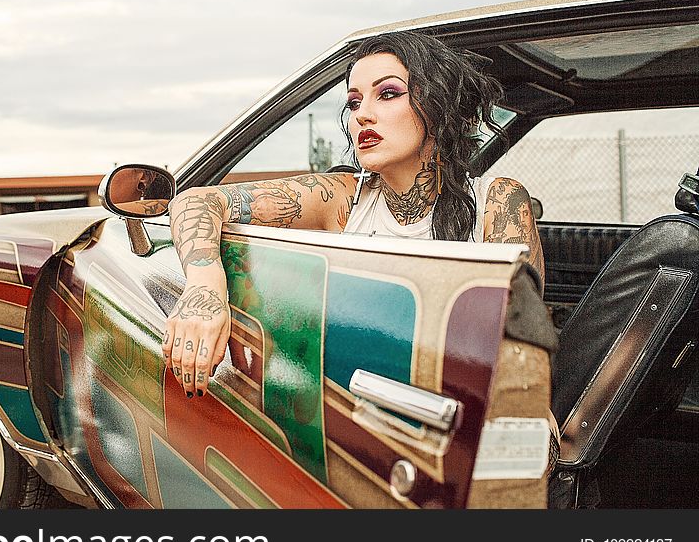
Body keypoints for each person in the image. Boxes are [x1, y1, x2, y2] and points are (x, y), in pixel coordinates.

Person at [161, 30, 545, 399]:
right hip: (355, 410)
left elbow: (522, 362)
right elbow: (195, 201)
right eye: (354, 102)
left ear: (437, 101)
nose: (363, 115)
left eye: (388, 93)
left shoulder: (498, 202)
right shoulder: (343, 198)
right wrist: (205, 288)